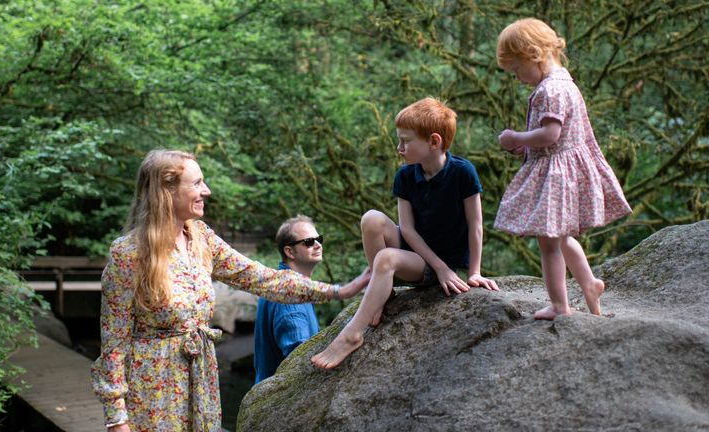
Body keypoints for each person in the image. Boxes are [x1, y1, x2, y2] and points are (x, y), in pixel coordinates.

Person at [90, 150, 368, 432]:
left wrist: (339, 291)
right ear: (166, 189)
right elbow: (114, 344)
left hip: (201, 386)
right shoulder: (129, 254)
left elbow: (263, 279)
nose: (206, 191)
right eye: (197, 183)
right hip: (152, 392)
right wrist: (117, 420)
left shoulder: (202, 239)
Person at [311, 97, 500, 370]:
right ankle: (381, 297)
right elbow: (408, 229)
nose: (399, 147)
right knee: (371, 219)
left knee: (386, 258)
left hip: (436, 266)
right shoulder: (406, 175)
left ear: (434, 142)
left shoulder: (463, 172)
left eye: (406, 141)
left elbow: (476, 226)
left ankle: (352, 334)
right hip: (416, 253)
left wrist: (472, 272)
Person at [493, 18, 632, 320]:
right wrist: (527, 145)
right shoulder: (565, 81)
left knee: (549, 242)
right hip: (567, 170)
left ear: (533, 54)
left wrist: (516, 137)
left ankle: (559, 304)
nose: (516, 78)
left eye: (516, 70)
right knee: (561, 235)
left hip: (557, 175)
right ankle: (590, 285)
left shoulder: (549, 91)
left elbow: (551, 135)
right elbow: (557, 134)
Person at [254, 215, 346, 383]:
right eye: (309, 242)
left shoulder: (284, 284)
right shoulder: (289, 297)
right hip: (281, 402)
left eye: (319, 239)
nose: (318, 245)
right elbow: (301, 357)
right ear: (289, 251)